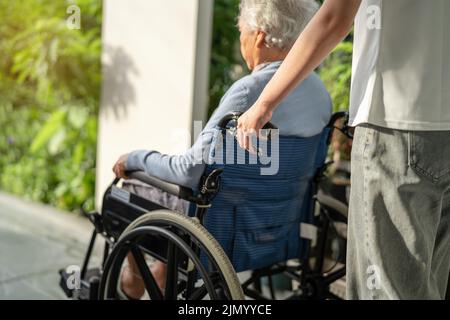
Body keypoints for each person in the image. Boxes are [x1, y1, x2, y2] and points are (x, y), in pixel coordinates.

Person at [112, 0, 332, 299]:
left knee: (127, 188)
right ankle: (163, 276)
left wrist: (136, 157)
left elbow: (188, 171)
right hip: (276, 229)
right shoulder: (320, 94)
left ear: (260, 36)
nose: (242, 40)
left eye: (242, 32)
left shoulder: (249, 91)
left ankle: (132, 282)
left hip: (222, 233)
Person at [236, 0, 450, 300]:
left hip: (395, 122)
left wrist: (264, 103)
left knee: (386, 291)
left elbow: (335, 17)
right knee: (429, 288)